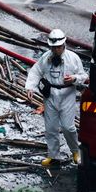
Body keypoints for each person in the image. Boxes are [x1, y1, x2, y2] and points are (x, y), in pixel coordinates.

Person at [29, 27, 87, 166]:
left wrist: (74, 79)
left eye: (58, 48)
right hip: (50, 96)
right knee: (51, 128)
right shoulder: (46, 57)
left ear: (64, 45)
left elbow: (84, 76)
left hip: (67, 95)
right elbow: (36, 71)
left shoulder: (73, 58)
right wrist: (31, 86)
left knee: (68, 127)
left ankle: (75, 151)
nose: (56, 51)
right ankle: (53, 155)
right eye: (53, 48)